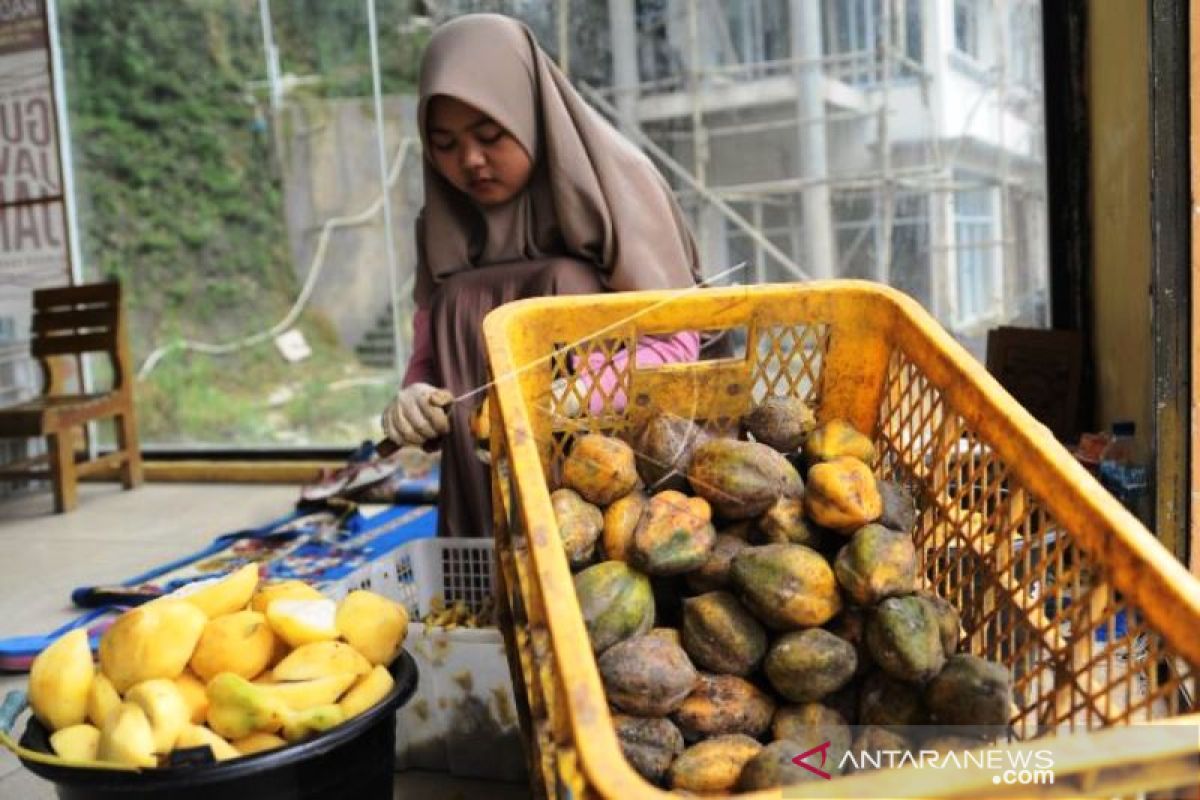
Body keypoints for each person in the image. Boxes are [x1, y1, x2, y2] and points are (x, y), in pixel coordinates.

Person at [381, 13, 705, 538]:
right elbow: (429, 358)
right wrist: (415, 399)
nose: (470, 160)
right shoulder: (443, 220)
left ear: (531, 111)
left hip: (611, 475)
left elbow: (677, 349)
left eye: (490, 135)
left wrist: (554, 402)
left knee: (566, 278)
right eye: (444, 144)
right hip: (482, 470)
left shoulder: (615, 186)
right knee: (457, 297)